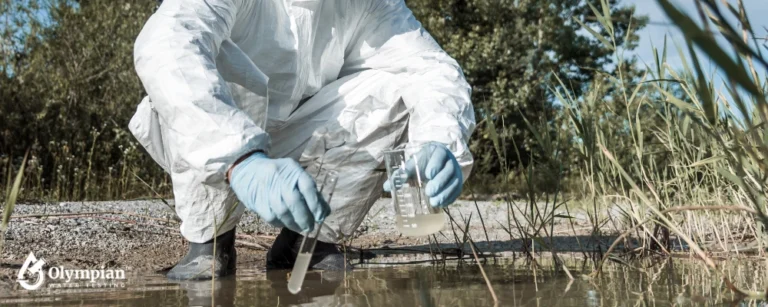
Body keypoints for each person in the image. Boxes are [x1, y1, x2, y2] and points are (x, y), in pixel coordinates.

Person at [129, 0, 475, 280]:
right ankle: (211, 240)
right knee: (198, 66)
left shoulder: (372, 3)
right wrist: (239, 159)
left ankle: (307, 241)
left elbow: (430, 69)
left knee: (396, 89)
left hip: (303, 130)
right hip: (223, 136)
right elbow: (168, 45)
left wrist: (439, 139)